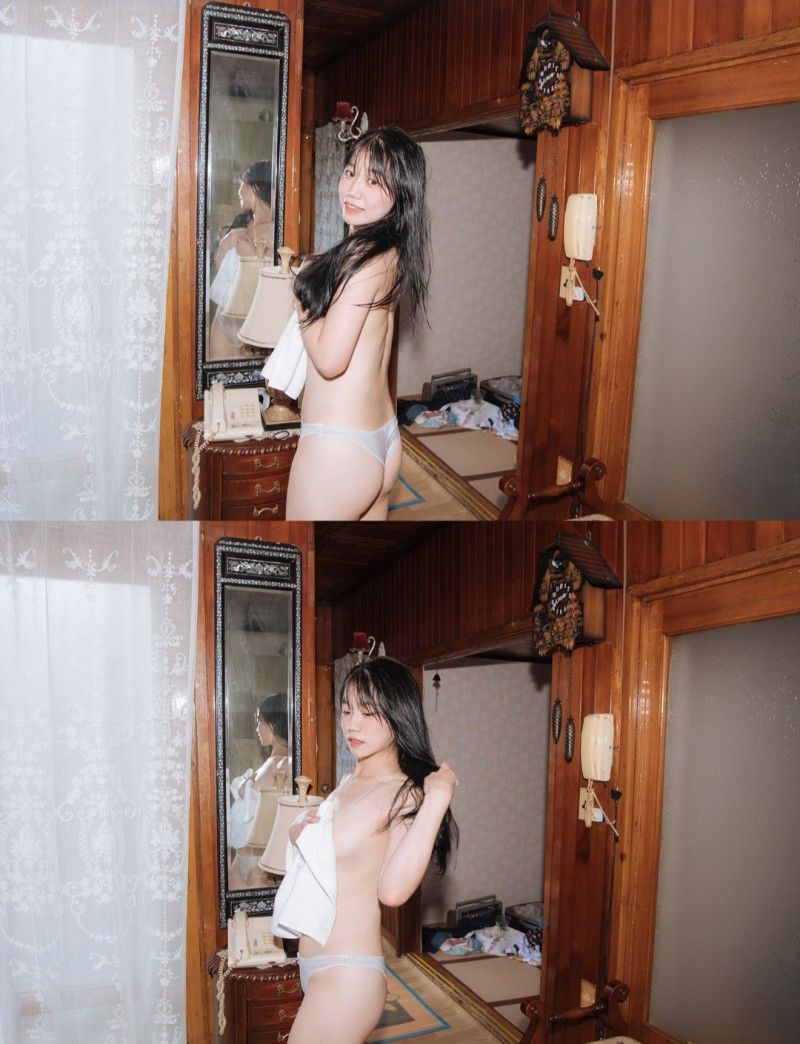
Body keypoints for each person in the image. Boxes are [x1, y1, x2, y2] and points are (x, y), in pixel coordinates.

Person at [272, 656, 457, 1044]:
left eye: (368, 712)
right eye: (346, 710)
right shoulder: (349, 780)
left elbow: (392, 891)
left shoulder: (405, 795)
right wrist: (297, 832)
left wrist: (437, 800)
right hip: (316, 966)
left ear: (398, 713)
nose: (352, 724)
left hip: (348, 975)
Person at [284, 126, 430, 521]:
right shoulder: (391, 253)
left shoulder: (363, 260)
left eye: (373, 181)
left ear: (401, 193)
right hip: (383, 439)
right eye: (351, 172)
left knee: (304, 550)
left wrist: (302, 299)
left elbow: (330, 360)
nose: (352, 189)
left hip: (338, 448)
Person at [208, 161, 274, 359]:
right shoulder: (241, 224)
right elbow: (222, 273)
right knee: (219, 374)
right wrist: (223, 247)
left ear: (255, 187)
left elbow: (275, 282)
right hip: (225, 316)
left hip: (257, 320)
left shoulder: (277, 228)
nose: (239, 191)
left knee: (251, 377)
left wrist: (251, 256)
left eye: (242, 184)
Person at [228, 692, 291, 888]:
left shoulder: (286, 764)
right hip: (241, 861)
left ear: (273, 723)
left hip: (259, 867)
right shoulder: (272, 763)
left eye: (260, 720)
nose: (257, 727)